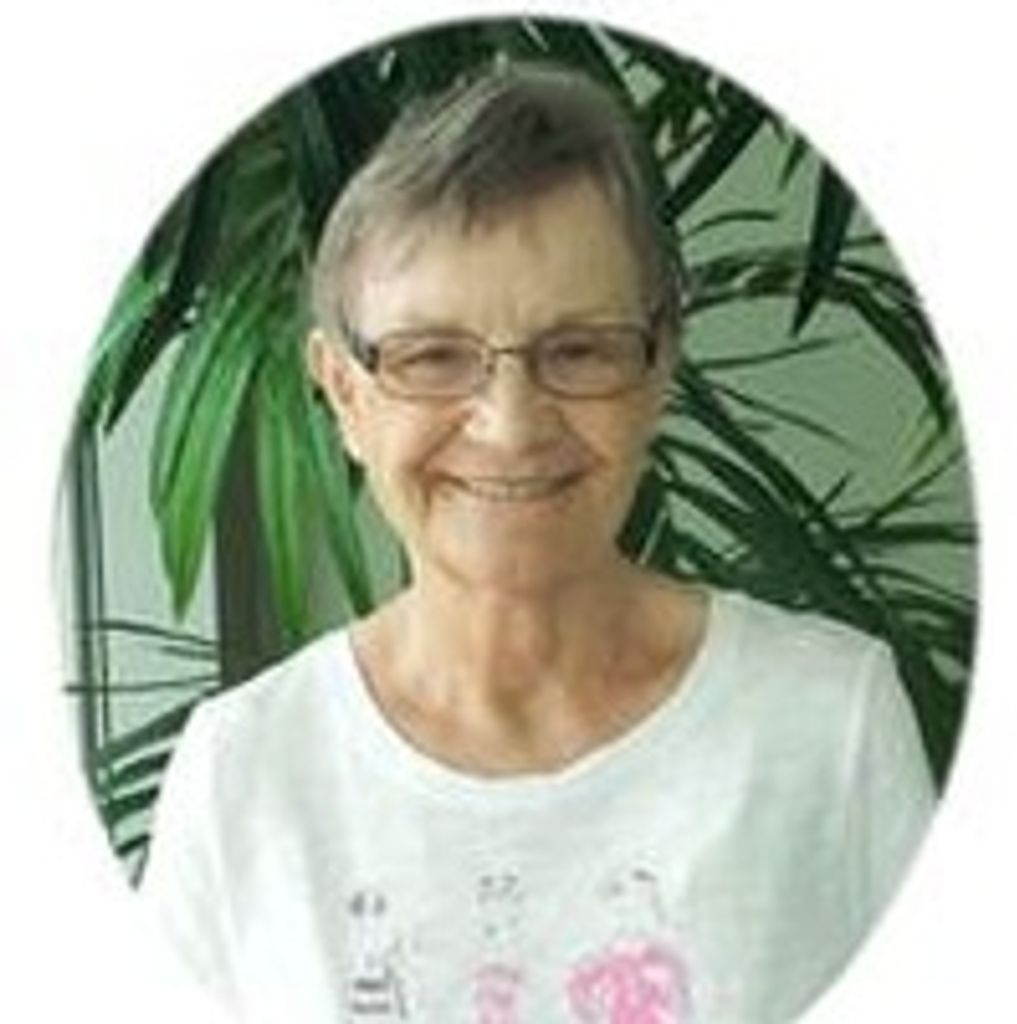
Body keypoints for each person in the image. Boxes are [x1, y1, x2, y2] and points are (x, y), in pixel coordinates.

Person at [142, 60, 935, 1024]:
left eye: (580, 350)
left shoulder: (829, 727)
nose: (512, 427)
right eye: (434, 356)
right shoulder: (243, 776)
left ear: (659, 369)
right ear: (345, 394)